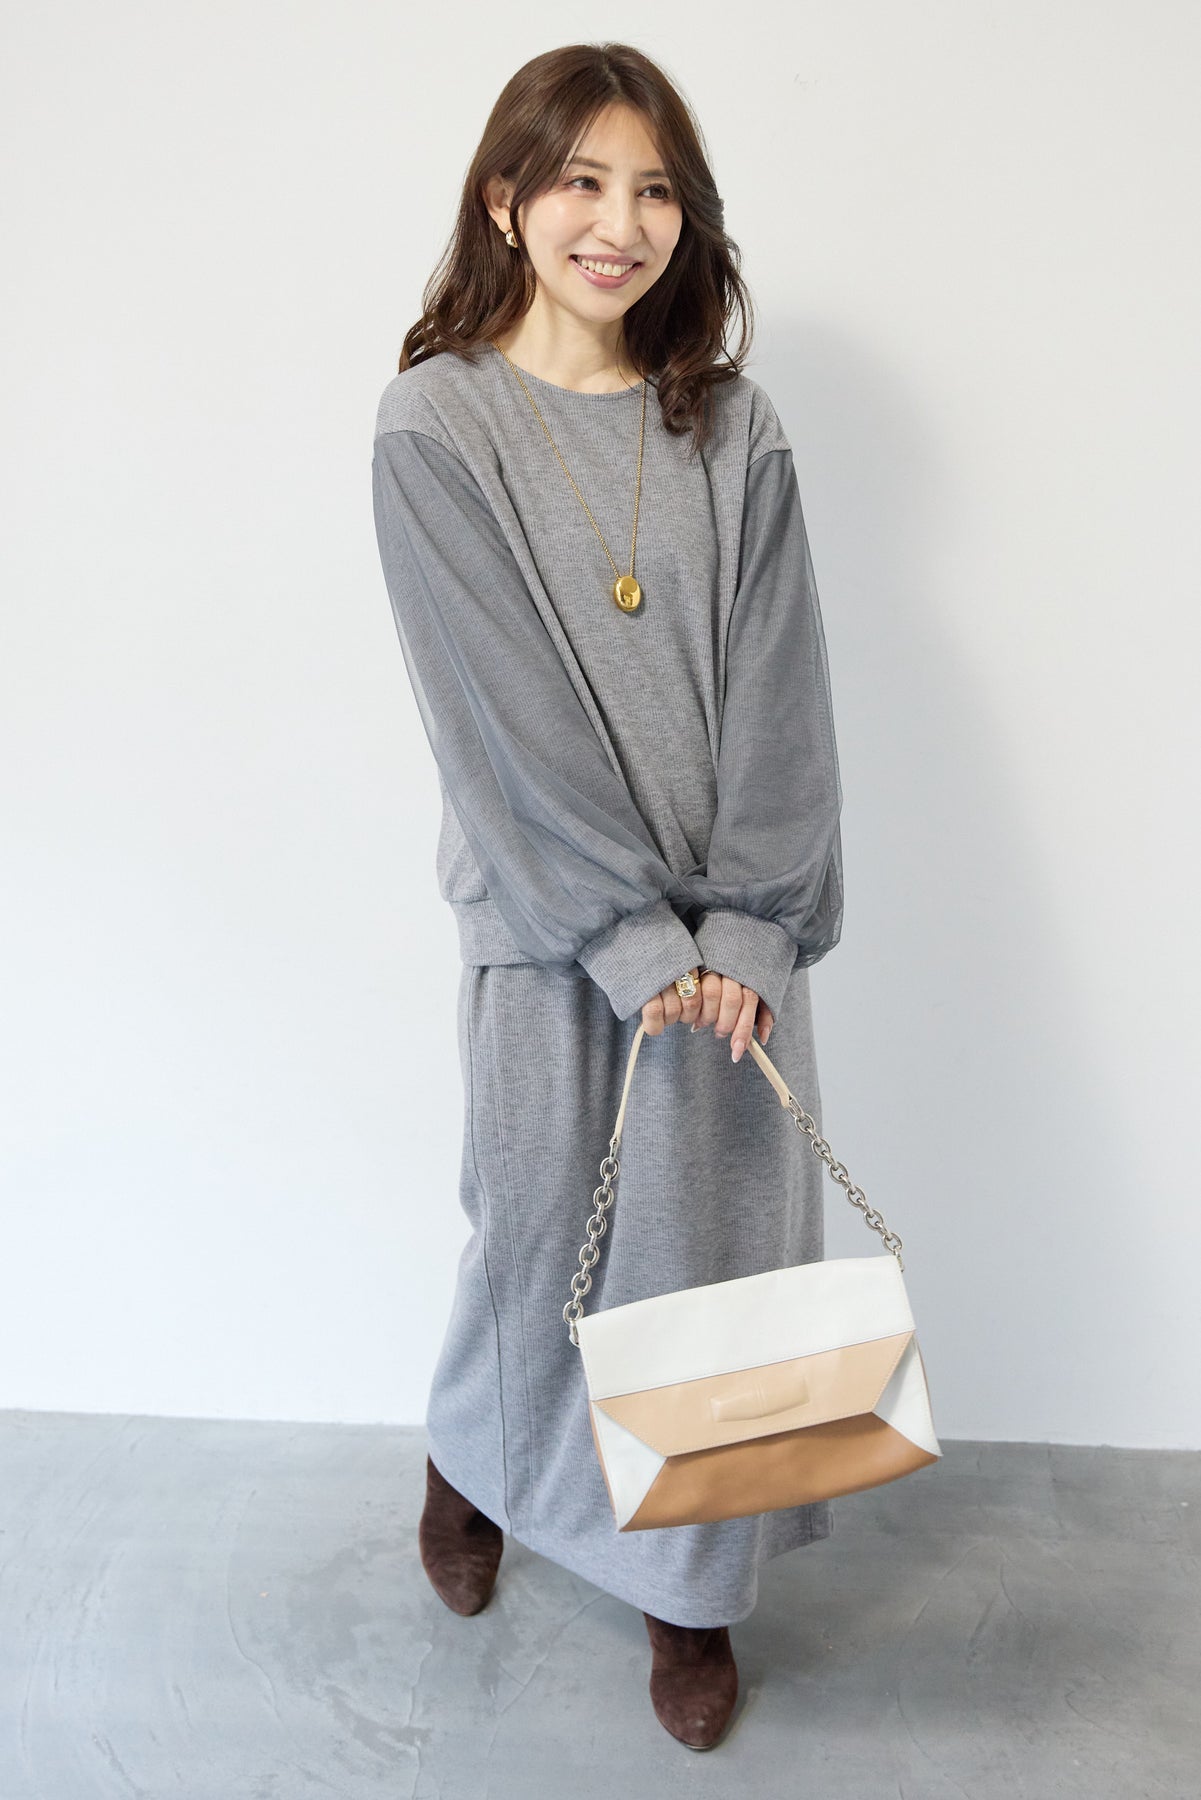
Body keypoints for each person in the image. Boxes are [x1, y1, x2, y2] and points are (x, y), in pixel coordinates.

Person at [370, 41, 844, 1752]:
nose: (617, 223)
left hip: (731, 945)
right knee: (535, 1245)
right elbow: (495, 718)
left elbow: (782, 691)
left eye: (652, 190)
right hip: (546, 932)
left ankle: (688, 1600)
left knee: (718, 1270)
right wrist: (628, 936)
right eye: (581, 180)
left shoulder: (730, 423)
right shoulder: (436, 424)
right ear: (507, 198)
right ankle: (472, 1461)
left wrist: (751, 925)